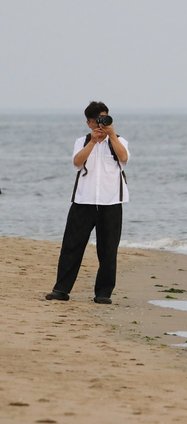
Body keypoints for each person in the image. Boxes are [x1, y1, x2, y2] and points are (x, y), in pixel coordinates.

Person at [45, 101, 130, 304]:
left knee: (108, 250)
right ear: (89, 122)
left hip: (111, 202)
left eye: (105, 119)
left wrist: (111, 134)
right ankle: (61, 290)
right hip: (83, 201)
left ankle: (103, 293)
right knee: (72, 246)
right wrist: (92, 142)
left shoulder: (119, 141)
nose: (101, 124)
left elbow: (124, 157)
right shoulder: (82, 141)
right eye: (97, 120)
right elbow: (76, 162)